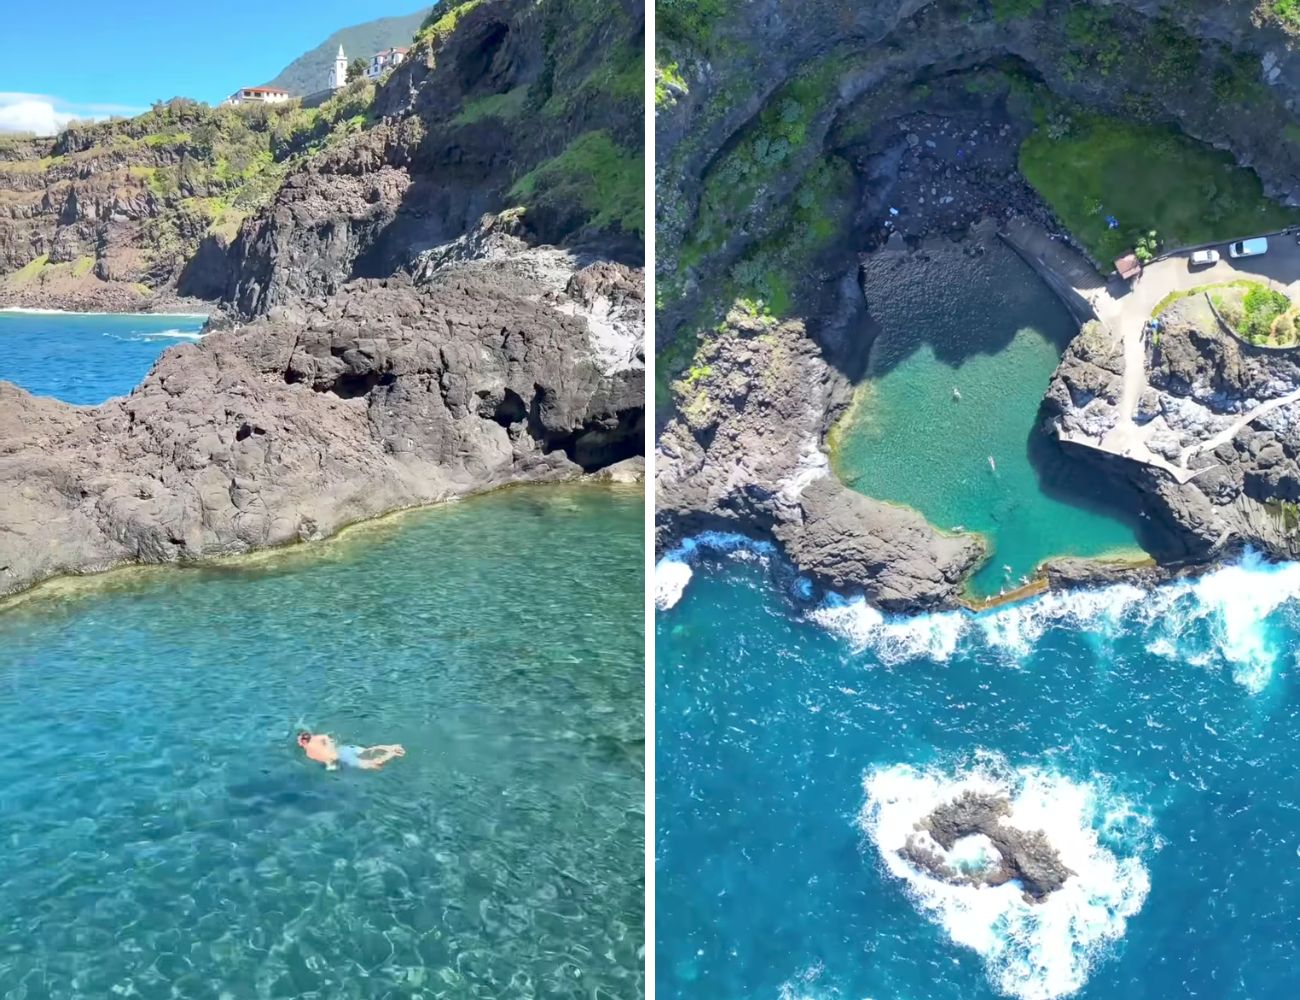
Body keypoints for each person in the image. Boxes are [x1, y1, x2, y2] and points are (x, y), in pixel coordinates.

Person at [297, 731, 405, 770]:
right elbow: (326, 737)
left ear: (303, 742)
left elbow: (328, 759)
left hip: (344, 757)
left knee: (375, 766)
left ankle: (393, 753)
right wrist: (330, 746)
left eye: (299, 741)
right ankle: (390, 747)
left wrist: (330, 765)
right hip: (345, 749)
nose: (298, 742)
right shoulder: (316, 738)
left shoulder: (309, 753)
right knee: (367, 751)